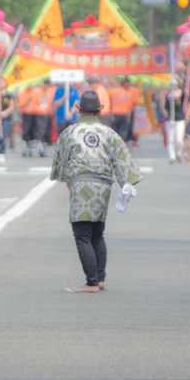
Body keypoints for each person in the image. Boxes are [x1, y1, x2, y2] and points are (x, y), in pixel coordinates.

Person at [50, 89, 142, 293]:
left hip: (81, 183)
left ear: (80, 111)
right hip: (103, 186)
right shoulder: (110, 133)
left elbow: (61, 159)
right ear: (99, 112)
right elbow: (123, 160)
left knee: (82, 233)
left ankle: (91, 282)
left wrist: (66, 178)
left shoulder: (71, 132)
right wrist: (128, 181)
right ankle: (100, 279)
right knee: (97, 232)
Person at [162, 82, 189, 164]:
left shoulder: (180, 94)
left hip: (179, 119)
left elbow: (186, 95)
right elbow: (164, 106)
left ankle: (178, 153)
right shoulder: (168, 96)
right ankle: (172, 156)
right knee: (170, 139)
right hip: (170, 119)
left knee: (179, 140)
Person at [109, 77, 135, 143]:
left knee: (115, 131)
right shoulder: (127, 93)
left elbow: (110, 102)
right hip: (124, 114)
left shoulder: (113, 92)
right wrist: (129, 117)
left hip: (115, 113)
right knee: (123, 131)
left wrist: (110, 113)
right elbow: (129, 106)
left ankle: (115, 145)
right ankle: (122, 145)